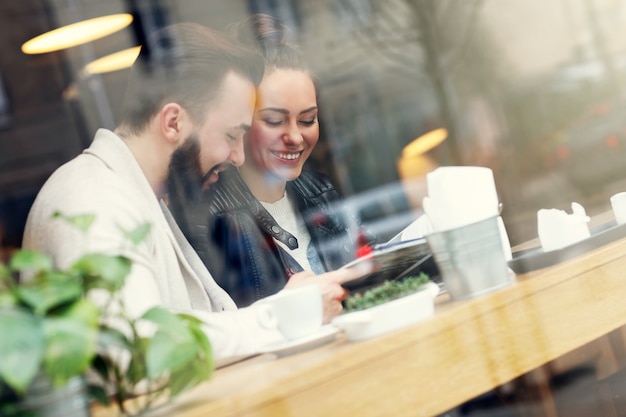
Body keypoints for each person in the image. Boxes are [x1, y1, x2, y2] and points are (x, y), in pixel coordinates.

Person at [22, 22, 368, 363]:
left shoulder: (135, 194)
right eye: (232, 135)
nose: (238, 156)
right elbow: (137, 352)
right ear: (173, 123)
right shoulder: (92, 200)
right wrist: (286, 315)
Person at [168, 14, 362, 308]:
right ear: (239, 120)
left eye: (308, 119)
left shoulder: (320, 189)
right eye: (274, 121)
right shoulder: (206, 220)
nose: (295, 136)